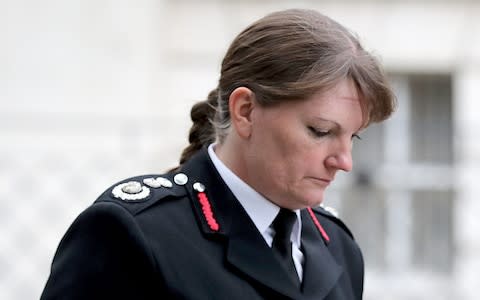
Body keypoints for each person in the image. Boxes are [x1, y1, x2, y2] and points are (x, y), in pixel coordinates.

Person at [40, 8, 395, 300]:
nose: (344, 161)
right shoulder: (135, 233)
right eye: (320, 131)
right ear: (245, 111)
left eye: (354, 138)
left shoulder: (338, 249)